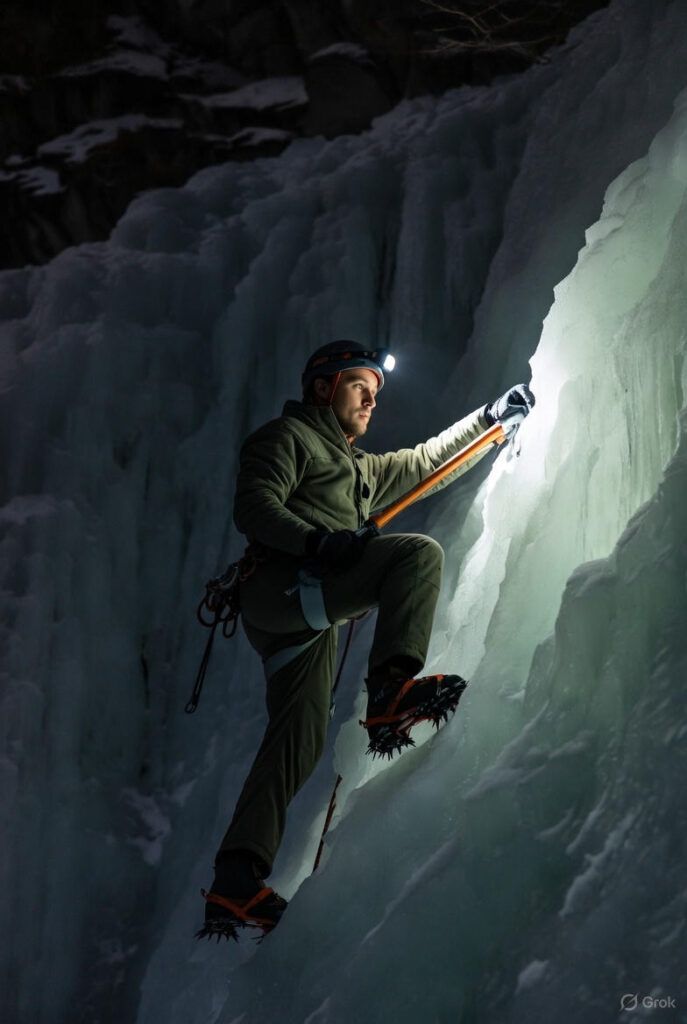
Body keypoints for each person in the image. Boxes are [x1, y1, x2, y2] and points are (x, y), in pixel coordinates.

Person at [197, 340, 534, 941]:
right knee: (415, 556)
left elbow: (425, 462)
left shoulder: (358, 469)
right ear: (323, 387)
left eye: (376, 393)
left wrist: (489, 420)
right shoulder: (288, 438)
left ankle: (235, 879)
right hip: (287, 586)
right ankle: (391, 693)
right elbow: (255, 506)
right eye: (361, 386)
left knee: (298, 740)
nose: (372, 401)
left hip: (300, 613)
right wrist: (316, 541)